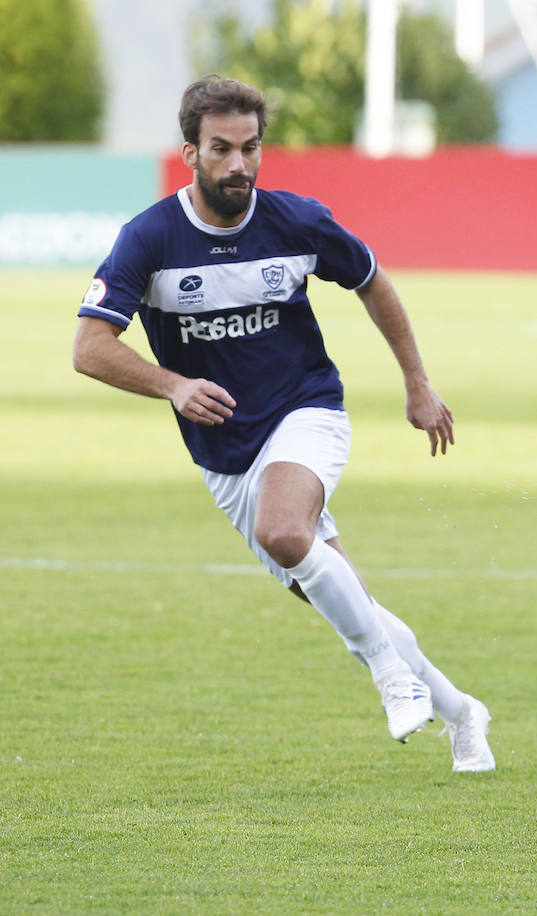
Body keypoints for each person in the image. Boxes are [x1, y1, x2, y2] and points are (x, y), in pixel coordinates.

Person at [72, 75, 494, 774]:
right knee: (342, 592)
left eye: (250, 148)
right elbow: (89, 347)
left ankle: (392, 677)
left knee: (285, 531)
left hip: (306, 410)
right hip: (224, 454)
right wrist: (172, 384)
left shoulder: (297, 221)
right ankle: (461, 712)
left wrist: (417, 385)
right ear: (190, 153)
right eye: (221, 149)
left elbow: (372, 282)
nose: (239, 165)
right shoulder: (149, 239)